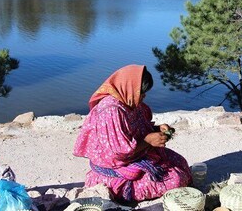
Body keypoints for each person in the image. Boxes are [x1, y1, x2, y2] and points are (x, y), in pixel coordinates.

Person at [73, 64, 192, 202]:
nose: (143, 96)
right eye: (141, 92)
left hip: (137, 154)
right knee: (176, 180)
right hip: (116, 167)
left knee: (180, 162)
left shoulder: (129, 100)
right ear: (129, 86)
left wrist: (157, 130)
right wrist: (148, 140)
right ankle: (121, 192)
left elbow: (138, 129)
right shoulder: (111, 110)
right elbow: (119, 153)